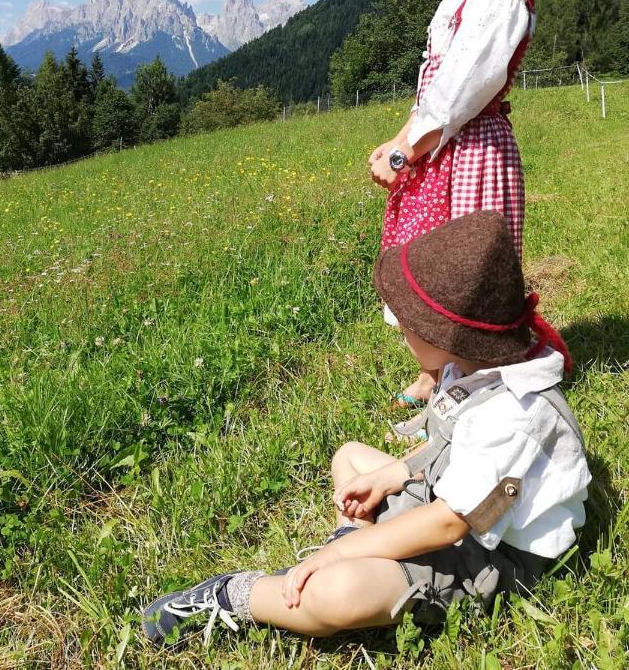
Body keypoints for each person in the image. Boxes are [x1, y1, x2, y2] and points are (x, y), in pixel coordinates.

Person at [142, 212, 590, 647]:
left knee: (334, 594)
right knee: (351, 458)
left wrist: (338, 555)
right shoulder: (473, 369)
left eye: (407, 325)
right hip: (459, 503)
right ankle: (360, 545)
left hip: (490, 554)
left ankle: (236, 593)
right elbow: (449, 448)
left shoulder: (514, 415)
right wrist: (395, 474)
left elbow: (452, 524)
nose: (399, 332)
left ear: (447, 335)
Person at [369, 0, 544, 407]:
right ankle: (436, 366)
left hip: (469, 155)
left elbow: (456, 94)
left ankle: (469, 372)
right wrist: (405, 138)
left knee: (466, 267)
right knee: (430, 253)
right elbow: (436, 93)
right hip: (446, 150)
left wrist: (403, 150)